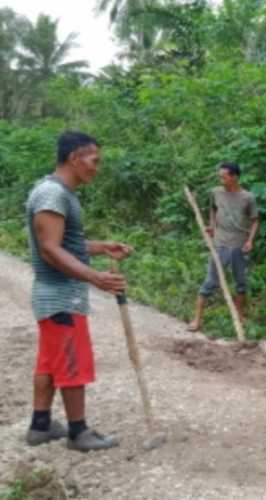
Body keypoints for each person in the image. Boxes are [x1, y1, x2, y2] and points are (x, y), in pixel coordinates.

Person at [25, 131, 133, 451]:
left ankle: (40, 426)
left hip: (53, 295)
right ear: (75, 158)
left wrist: (101, 248)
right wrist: (95, 278)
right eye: (94, 160)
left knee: (49, 362)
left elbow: (66, 244)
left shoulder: (57, 193)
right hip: (61, 297)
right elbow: (49, 249)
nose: (96, 168)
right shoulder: (52, 195)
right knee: (72, 361)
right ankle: (78, 432)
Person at [187, 162, 259, 331]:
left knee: (241, 283)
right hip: (219, 245)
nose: (220, 179)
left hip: (239, 246)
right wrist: (212, 227)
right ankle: (197, 320)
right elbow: (213, 210)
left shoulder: (247, 197)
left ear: (234, 177)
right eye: (219, 176)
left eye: (223, 177)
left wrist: (250, 241)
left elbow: (255, 220)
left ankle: (239, 316)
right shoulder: (216, 192)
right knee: (210, 282)